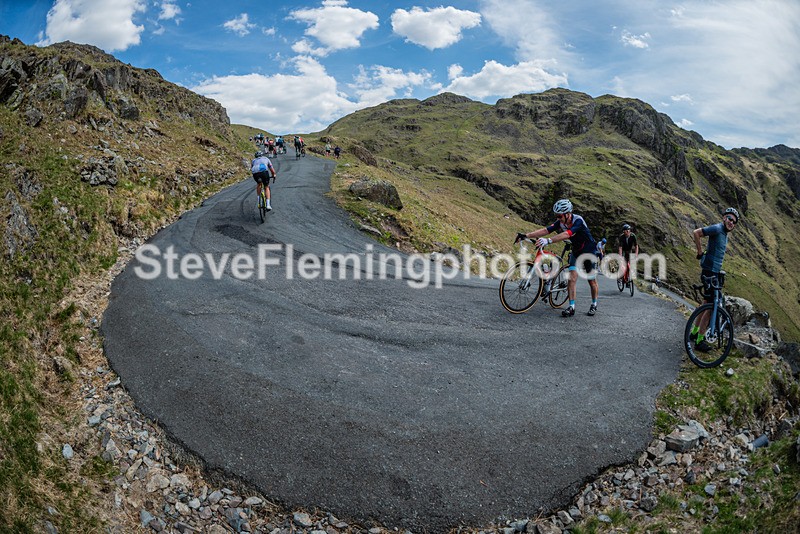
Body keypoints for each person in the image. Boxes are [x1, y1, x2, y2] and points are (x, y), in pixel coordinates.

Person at [515, 199, 599, 317]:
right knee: (571, 278)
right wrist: (525, 235)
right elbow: (546, 230)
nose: (558, 218)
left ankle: (594, 304)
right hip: (576, 251)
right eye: (556, 216)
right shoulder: (561, 222)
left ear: (568, 214)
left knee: (591, 280)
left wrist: (548, 241)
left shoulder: (578, 220)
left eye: (560, 216)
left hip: (589, 251)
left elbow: (566, 234)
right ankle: (571, 307)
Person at [690, 207, 739, 351]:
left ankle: (694, 333)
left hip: (714, 273)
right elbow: (696, 233)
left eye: (734, 221)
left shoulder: (724, 233)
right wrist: (700, 252)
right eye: (729, 218)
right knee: (711, 308)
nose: (731, 222)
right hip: (709, 272)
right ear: (724, 218)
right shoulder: (717, 228)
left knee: (706, 303)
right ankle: (700, 340)